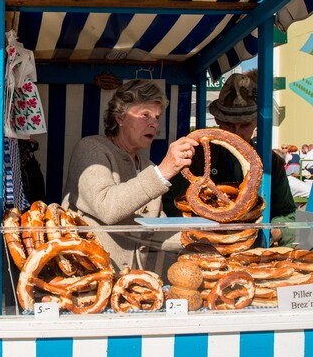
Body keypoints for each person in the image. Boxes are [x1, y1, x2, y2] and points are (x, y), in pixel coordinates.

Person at [62, 79, 198, 272]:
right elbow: (107, 208)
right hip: (89, 278)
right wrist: (163, 172)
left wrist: (203, 236)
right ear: (120, 117)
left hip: (134, 285)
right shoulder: (91, 149)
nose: (154, 123)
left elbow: (155, 230)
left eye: (157, 117)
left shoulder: (148, 167)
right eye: (145, 115)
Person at [163, 70, 297, 246]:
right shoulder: (194, 158)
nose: (236, 132)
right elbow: (172, 206)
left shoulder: (272, 163)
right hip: (203, 248)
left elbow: (287, 214)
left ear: (256, 121)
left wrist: (273, 230)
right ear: (217, 119)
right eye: (229, 124)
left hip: (253, 252)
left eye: (245, 125)